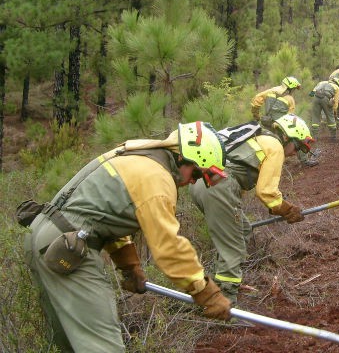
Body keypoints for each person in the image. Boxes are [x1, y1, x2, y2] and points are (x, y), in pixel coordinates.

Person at [23, 121, 232, 352]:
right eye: (197, 174)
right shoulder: (157, 178)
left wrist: (129, 265)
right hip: (68, 248)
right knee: (103, 346)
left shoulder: (138, 154)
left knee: (69, 345)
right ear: (183, 158)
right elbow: (168, 247)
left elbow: (104, 215)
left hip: (44, 237)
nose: (193, 181)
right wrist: (204, 291)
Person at [189, 114, 314, 304]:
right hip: (218, 186)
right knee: (234, 246)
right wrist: (287, 210)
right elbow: (266, 192)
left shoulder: (256, 136)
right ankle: (225, 305)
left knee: (242, 229)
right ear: (287, 137)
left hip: (201, 183)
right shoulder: (275, 146)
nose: (295, 153)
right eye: (297, 147)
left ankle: (218, 286)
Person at [250, 76, 317, 167]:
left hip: (266, 122)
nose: (294, 91)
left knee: (266, 143)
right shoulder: (290, 99)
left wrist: (256, 115)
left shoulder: (270, 91)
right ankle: (304, 161)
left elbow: (256, 100)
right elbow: (290, 117)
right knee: (299, 137)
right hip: (280, 125)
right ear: (290, 88)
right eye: (294, 89)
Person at [310, 77, 339, 142]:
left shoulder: (321, 82)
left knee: (315, 117)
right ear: (338, 84)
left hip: (315, 98)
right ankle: (333, 138)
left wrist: (314, 101)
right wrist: (335, 112)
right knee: (330, 117)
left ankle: (314, 137)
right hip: (326, 98)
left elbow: (311, 93)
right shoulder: (337, 88)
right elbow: (335, 102)